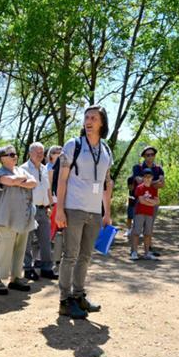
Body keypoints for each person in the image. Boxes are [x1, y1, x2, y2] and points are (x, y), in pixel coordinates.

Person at [54, 105, 113, 320]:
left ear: (102, 123)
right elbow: (62, 179)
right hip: (74, 208)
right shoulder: (73, 145)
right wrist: (59, 210)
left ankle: (78, 296)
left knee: (85, 256)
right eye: (86, 117)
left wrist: (107, 212)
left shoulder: (106, 150)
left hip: (95, 212)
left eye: (93, 118)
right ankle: (64, 301)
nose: (88, 121)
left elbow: (107, 182)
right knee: (70, 255)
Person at [0, 145, 38, 294]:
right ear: (2, 158)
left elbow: (34, 182)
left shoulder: (21, 171)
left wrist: (19, 180)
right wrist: (22, 180)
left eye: (15, 154)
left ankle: (15, 278)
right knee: (4, 249)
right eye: (11, 154)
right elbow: (10, 181)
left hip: (23, 217)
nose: (15, 156)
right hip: (4, 218)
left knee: (20, 249)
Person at [21, 142, 58, 281]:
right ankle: (27, 268)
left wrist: (50, 205)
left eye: (42, 152)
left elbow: (47, 189)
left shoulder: (44, 168)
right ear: (30, 153)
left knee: (46, 240)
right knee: (27, 241)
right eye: (37, 152)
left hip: (43, 210)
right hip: (29, 209)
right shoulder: (23, 169)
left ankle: (46, 268)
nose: (40, 155)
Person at [132, 146, 165, 254]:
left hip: (152, 202)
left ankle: (148, 249)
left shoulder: (158, 168)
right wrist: (155, 182)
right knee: (137, 227)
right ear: (143, 156)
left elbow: (162, 184)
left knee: (149, 226)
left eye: (152, 154)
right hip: (139, 201)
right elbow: (139, 181)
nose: (150, 156)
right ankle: (134, 251)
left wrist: (148, 182)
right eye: (147, 155)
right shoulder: (137, 167)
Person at [130, 169, 160, 260]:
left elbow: (157, 201)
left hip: (149, 214)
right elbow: (141, 201)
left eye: (149, 177)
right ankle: (134, 252)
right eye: (146, 177)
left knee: (147, 233)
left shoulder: (154, 189)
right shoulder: (139, 187)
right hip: (139, 213)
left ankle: (147, 253)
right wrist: (152, 202)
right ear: (143, 178)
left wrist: (148, 200)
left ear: (152, 178)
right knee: (136, 233)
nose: (147, 179)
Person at [47, 145, 63, 262]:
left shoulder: (63, 166)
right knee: (51, 229)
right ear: (51, 155)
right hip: (53, 201)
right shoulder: (49, 167)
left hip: (61, 201)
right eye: (56, 152)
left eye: (60, 152)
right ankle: (48, 256)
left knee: (59, 230)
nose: (59, 154)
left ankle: (57, 256)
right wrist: (50, 204)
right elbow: (48, 186)